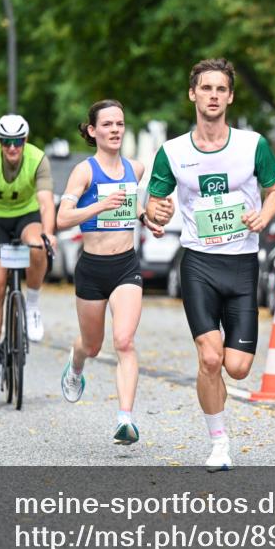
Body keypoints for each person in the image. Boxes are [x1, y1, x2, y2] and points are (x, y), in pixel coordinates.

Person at [146, 58, 275, 471]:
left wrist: (264, 215)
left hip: (242, 263)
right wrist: (155, 215)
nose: (213, 96)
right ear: (193, 94)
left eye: (220, 89)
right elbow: (154, 205)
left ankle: (220, 391)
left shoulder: (252, 144)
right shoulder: (172, 151)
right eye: (205, 88)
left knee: (237, 368)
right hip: (198, 263)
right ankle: (219, 441)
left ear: (230, 97)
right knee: (209, 359)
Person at [57, 99, 168, 445]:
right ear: (93, 131)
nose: (115, 130)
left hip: (125, 266)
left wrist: (148, 218)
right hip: (91, 268)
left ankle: (125, 419)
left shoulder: (135, 168)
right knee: (92, 346)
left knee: (124, 341)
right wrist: (98, 205)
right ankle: (76, 365)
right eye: (107, 125)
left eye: (119, 124)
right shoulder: (85, 171)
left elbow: (133, 207)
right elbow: (61, 219)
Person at [0, 114, 57, 389]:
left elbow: (45, 203)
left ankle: (32, 304)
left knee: (37, 244)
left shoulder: (37, 158)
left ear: (25, 141)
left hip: (26, 217)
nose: (12, 147)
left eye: (17, 141)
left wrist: (49, 232)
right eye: (6, 142)